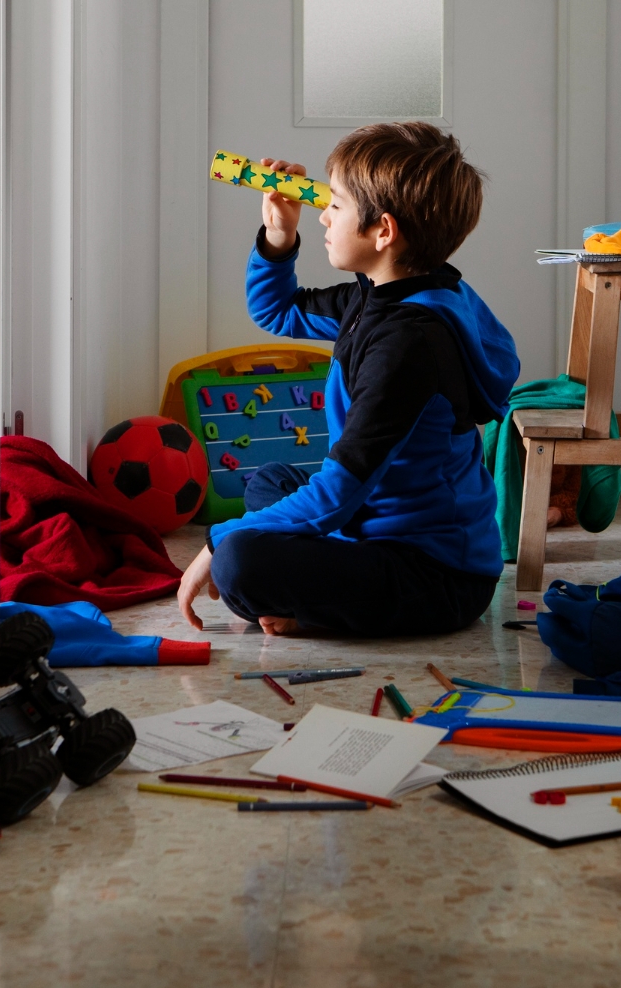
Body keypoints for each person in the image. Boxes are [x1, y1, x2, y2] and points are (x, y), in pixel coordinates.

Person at [176, 122, 519, 637]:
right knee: (271, 481)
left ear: (383, 231)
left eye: (335, 204)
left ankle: (320, 608)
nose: (322, 215)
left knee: (237, 561)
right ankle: (322, 592)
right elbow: (280, 312)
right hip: (369, 522)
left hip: (436, 573)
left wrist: (217, 541)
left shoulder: (409, 344)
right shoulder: (376, 294)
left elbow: (340, 488)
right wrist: (278, 236)